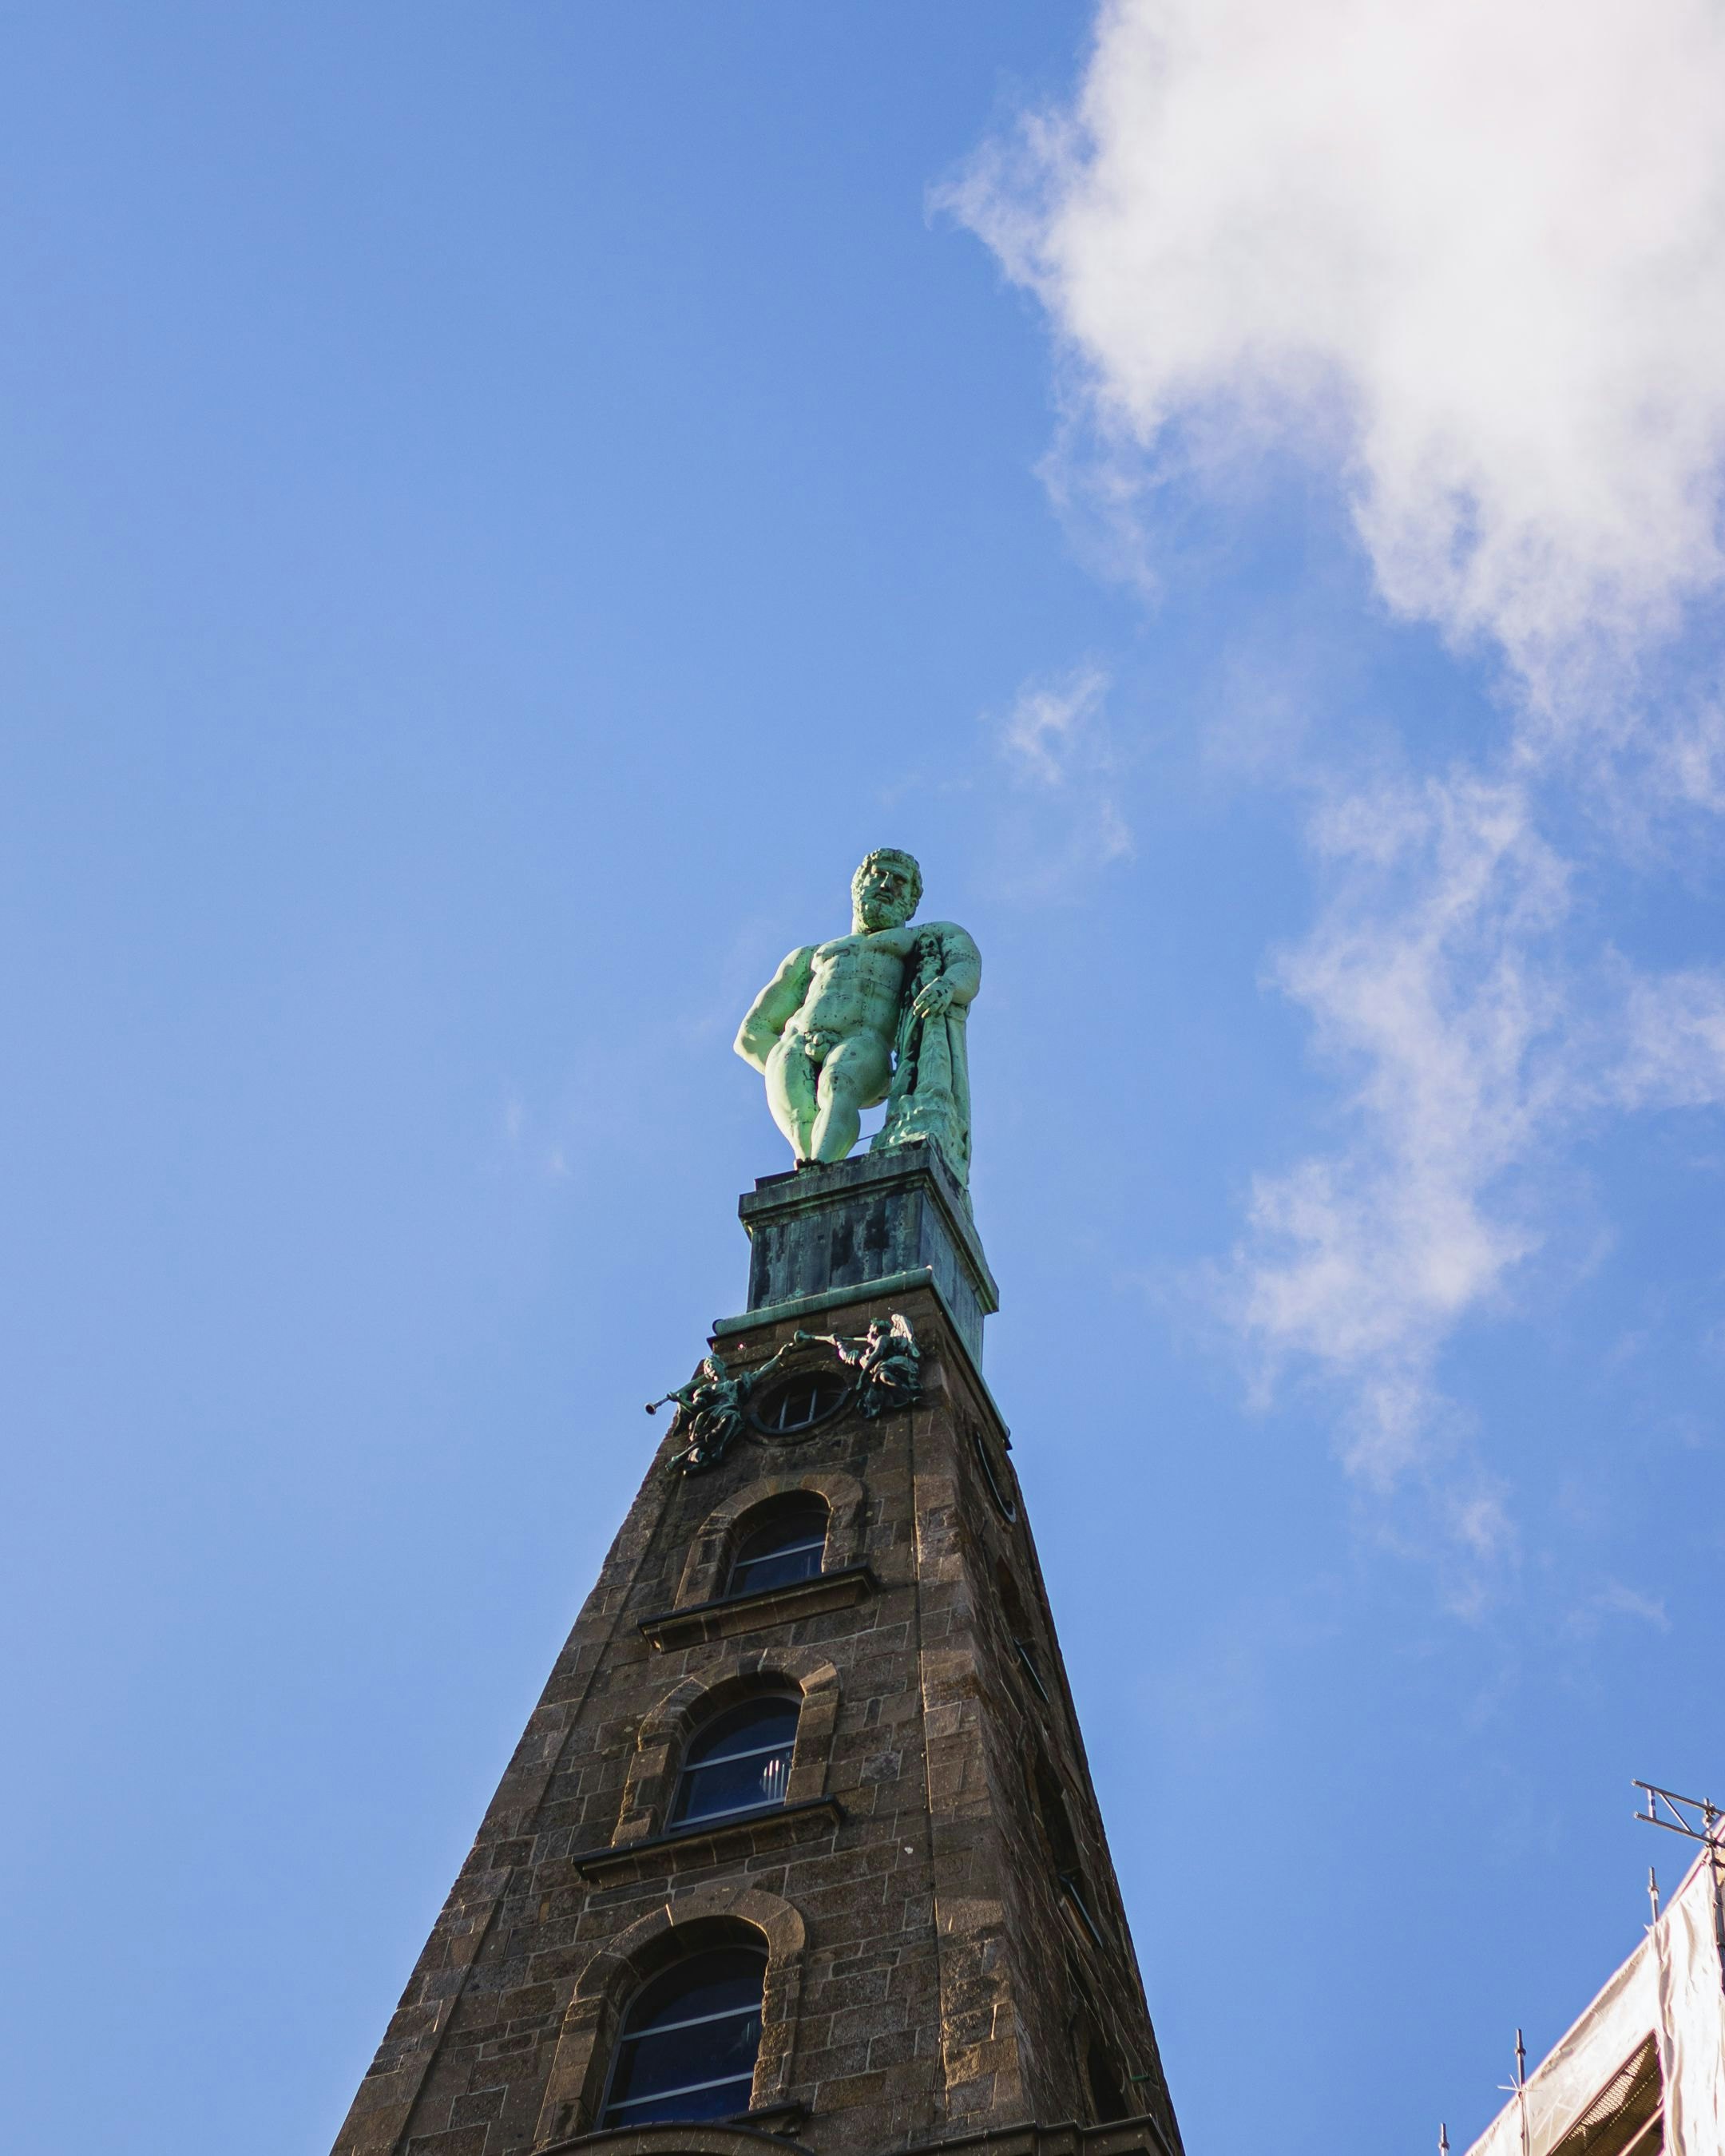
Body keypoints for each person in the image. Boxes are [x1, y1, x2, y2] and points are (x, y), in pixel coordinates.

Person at [734, 849, 980, 1180]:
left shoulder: (923, 937)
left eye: (899, 881)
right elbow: (752, 1033)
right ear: (858, 886)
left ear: (910, 902)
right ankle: (809, 1169)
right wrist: (783, 1058)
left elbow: (966, 964)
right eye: (877, 875)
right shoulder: (810, 956)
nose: (886, 884)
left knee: (839, 1082)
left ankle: (822, 1163)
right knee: (798, 1105)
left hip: (866, 1042)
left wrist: (948, 986)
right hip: (799, 1041)